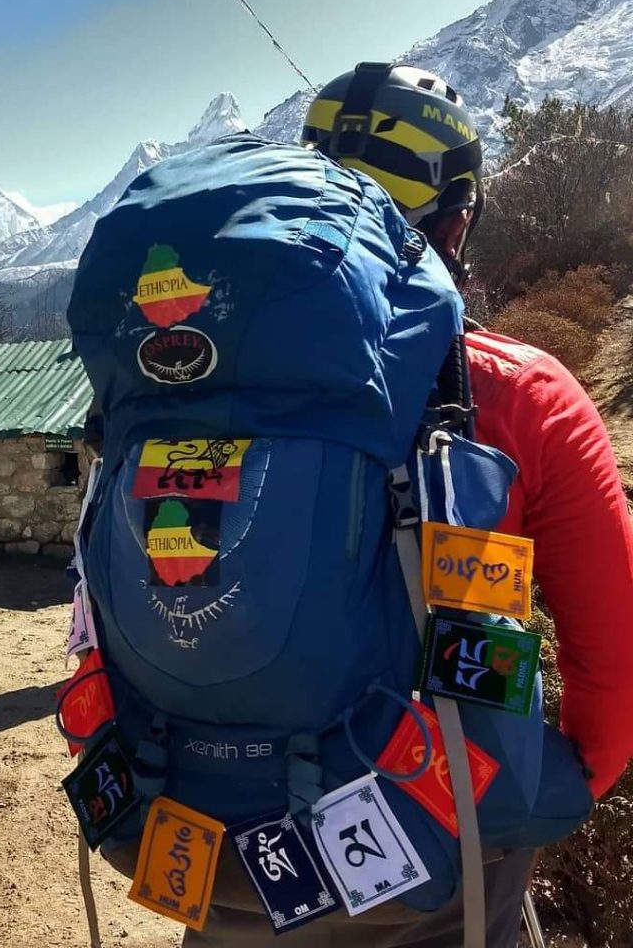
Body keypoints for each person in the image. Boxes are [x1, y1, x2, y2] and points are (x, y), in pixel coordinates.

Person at [167, 63, 633, 946]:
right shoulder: (520, 395)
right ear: (458, 218)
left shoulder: (188, 382)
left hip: (214, 827)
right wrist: (540, 796)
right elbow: (614, 683)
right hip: (441, 849)